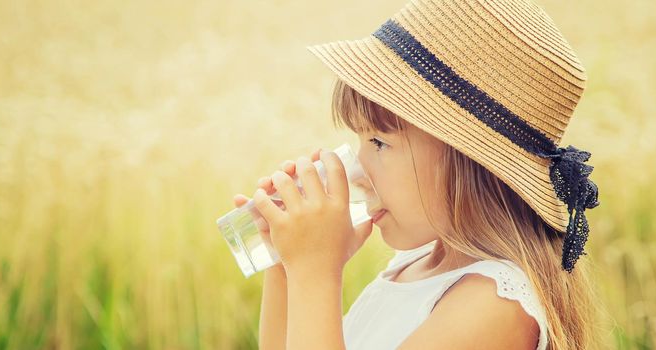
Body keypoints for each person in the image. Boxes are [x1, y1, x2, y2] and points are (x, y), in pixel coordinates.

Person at [233, 0, 604, 349]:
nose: (358, 173)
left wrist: (316, 273)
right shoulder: (413, 267)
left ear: (466, 159)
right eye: (359, 139)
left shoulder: (493, 304)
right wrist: (288, 266)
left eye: (379, 142)